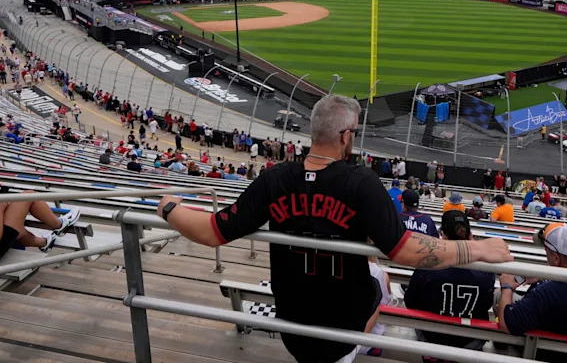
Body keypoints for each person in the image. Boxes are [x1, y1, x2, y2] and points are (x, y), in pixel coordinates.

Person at [155, 94, 510, 363]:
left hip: (293, 321)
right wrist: (476, 249)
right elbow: (405, 250)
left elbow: (211, 231)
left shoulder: (275, 177)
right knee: (377, 282)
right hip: (342, 326)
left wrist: (169, 206)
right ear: (344, 136)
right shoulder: (360, 181)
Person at [404, 211, 496, 350]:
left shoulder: (426, 265)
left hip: (432, 336)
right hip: (470, 339)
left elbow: (410, 302)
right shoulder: (486, 270)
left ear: (443, 236)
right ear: (470, 236)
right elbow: (486, 305)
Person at [498, 223, 567, 337]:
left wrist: (507, 287)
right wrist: (543, 276)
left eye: (546, 251)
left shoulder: (546, 294)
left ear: (555, 258)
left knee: (498, 296)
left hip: (538, 348)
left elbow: (507, 324)